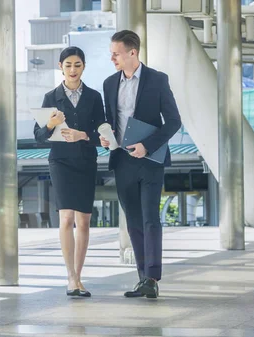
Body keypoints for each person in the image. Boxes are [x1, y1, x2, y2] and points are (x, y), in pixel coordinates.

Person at [100, 30, 182, 299]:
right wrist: (106, 137)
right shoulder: (109, 83)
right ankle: (142, 277)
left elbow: (173, 121)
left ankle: (152, 277)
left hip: (149, 160)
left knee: (150, 219)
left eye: (116, 53)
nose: (112, 58)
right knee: (133, 221)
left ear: (132, 53)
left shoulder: (157, 80)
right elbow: (111, 121)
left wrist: (147, 145)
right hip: (122, 160)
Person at [34, 46, 105, 297]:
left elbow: (102, 134)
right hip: (61, 162)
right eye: (68, 65)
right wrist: (51, 124)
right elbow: (38, 137)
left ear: (84, 66)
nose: (72, 70)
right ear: (60, 67)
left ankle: (79, 275)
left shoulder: (95, 97)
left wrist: (84, 135)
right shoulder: (51, 97)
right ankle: (71, 278)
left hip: (86, 161)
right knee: (66, 218)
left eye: (77, 65)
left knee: (84, 219)